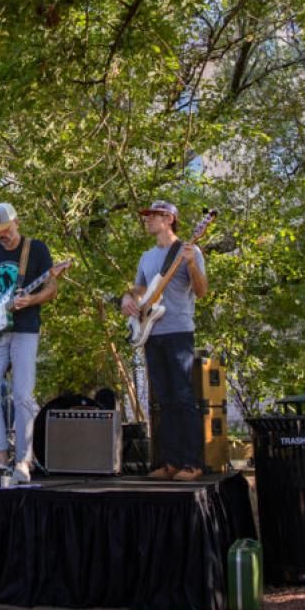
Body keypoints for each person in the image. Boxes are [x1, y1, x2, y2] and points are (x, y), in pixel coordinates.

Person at [121, 200, 207, 482]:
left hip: (178, 331)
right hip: (151, 333)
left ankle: (192, 463)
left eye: (153, 216)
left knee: (183, 397)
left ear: (169, 219)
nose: (147, 220)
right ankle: (170, 462)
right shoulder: (146, 257)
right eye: (147, 216)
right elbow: (140, 288)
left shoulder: (189, 250)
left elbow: (202, 290)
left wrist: (192, 264)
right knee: (163, 401)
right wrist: (128, 298)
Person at [0, 202, 57, 483]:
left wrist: (31, 300)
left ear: (16, 222)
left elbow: (52, 288)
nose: (1, 236)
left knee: (22, 395)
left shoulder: (37, 250)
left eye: (5, 230)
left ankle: (23, 460)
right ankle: (0, 458)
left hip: (25, 328)